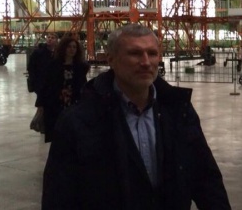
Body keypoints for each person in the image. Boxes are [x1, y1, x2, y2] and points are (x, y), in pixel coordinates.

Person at [42, 24, 231, 209]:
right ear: (111, 59)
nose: (146, 62)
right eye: (135, 53)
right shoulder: (78, 120)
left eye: (152, 53)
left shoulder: (178, 111)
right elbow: (59, 195)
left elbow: (205, 177)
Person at [36, 36, 89, 143]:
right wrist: (40, 104)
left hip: (74, 104)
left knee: (73, 134)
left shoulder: (80, 67)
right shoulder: (53, 65)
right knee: (58, 134)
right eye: (69, 46)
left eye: (74, 47)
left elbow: (83, 85)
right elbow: (45, 85)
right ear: (64, 48)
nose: (72, 49)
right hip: (56, 104)